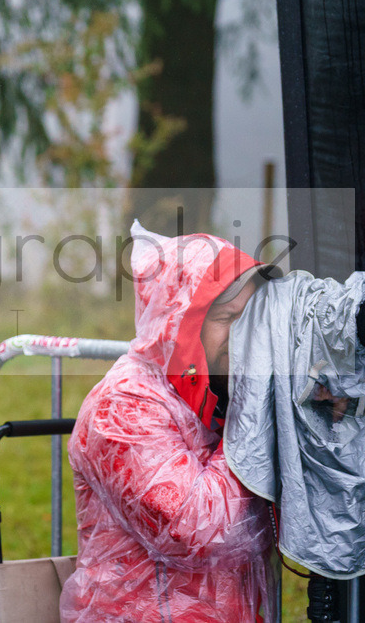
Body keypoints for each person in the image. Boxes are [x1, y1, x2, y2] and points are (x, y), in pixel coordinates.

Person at [60, 221, 281, 622]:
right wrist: (257, 409)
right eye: (228, 318)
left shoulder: (219, 397)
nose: (245, 336)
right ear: (178, 323)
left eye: (252, 318)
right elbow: (199, 532)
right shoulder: (122, 409)